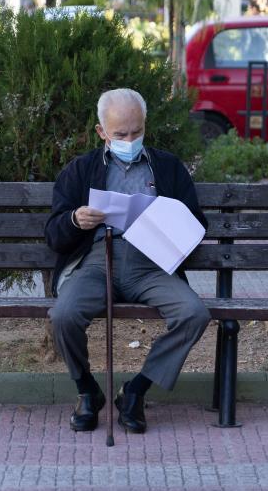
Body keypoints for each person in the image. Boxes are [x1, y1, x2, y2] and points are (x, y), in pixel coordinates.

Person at [44, 89, 210, 434]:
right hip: (96, 261)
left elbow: (196, 223)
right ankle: (87, 390)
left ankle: (135, 391)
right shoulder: (80, 170)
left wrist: (168, 222)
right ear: (102, 132)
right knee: (63, 315)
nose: (130, 140)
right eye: (121, 134)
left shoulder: (167, 167)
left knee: (193, 313)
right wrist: (76, 219)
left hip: (150, 263)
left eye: (137, 132)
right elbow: (54, 235)